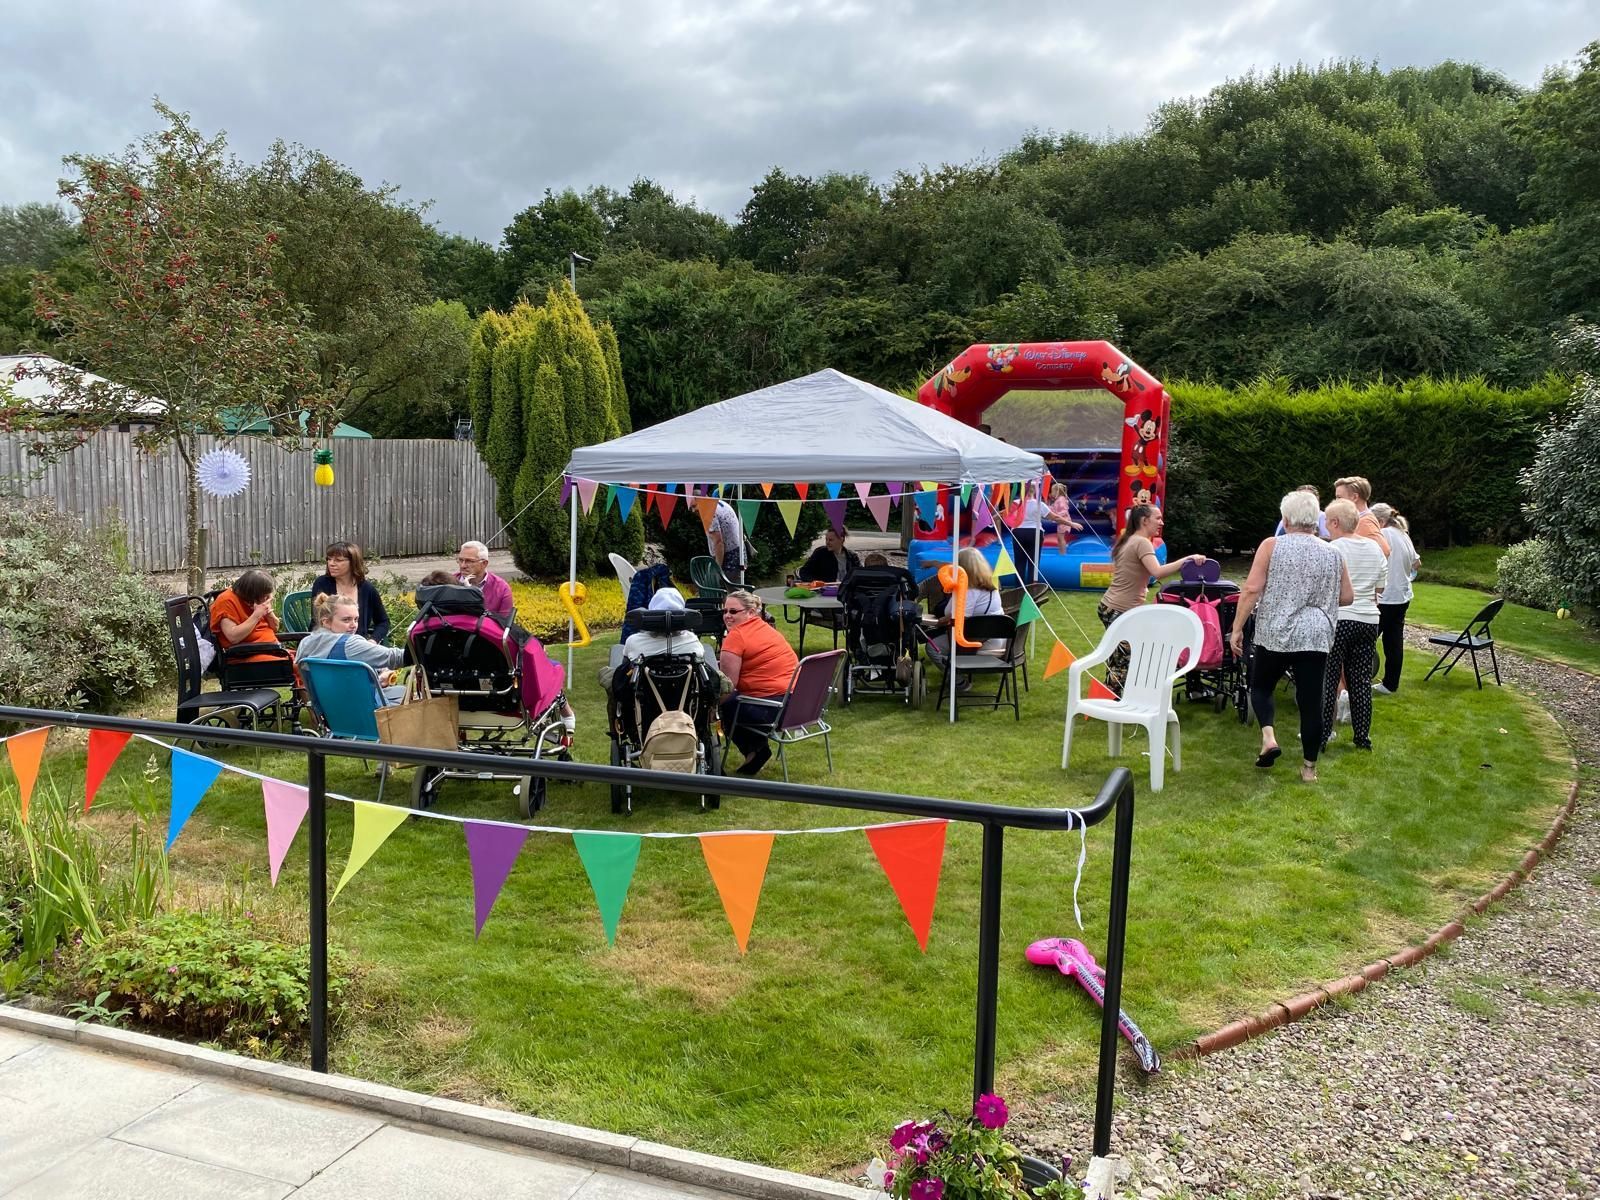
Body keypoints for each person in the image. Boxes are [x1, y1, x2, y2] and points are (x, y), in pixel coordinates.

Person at [1230, 491, 1351, 783]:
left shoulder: (1272, 546)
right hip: (1316, 635)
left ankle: (1269, 736)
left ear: (1285, 520)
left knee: (1261, 686)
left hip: (1276, 631)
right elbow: (1347, 596)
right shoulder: (1334, 552)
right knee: (1311, 701)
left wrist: (1236, 628)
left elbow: (1250, 589)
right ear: (1316, 521)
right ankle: (1309, 769)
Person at [1098, 506, 1207, 695]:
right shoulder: (1141, 542)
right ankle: (1116, 702)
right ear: (1144, 521)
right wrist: (1188, 559)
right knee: (1127, 658)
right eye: (1158, 518)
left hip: (1112, 606)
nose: (1161, 522)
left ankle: (1111, 696)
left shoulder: (1130, 540)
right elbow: (1157, 572)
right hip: (1119, 610)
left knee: (1120, 657)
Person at [1321, 499, 1387, 753]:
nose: (1325, 525)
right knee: (1360, 680)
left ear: (1335, 523)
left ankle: (1325, 734)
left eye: (1327, 520)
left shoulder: (1333, 549)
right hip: (1368, 621)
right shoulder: (1374, 548)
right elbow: (1379, 589)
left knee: (1329, 677)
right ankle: (1362, 737)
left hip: (1340, 619)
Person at [718, 591, 799, 776]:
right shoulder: (767, 629)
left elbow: (727, 687)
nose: (727, 616)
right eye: (724, 611)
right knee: (734, 701)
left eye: (733, 611)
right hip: (795, 704)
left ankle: (754, 751)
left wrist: (707, 710)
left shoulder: (736, 637)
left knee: (726, 705)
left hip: (772, 709)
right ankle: (756, 751)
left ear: (751, 612)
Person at [298, 593, 407, 705]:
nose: (354, 625)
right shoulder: (349, 644)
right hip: (370, 714)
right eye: (346, 620)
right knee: (410, 694)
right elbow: (396, 657)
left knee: (399, 691)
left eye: (356, 619)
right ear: (326, 622)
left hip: (331, 714)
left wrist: (378, 676)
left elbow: (336, 682)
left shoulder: (305, 644)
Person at [926, 547, 1007, 670]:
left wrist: (940, 621)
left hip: (976, 641)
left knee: (932, 647)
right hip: (997, 638)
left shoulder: (969, 591)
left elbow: (959, 617)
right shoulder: (991, 587)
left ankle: (958, 682)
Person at [1370, 503, 1420, 695]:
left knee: (1364, 641)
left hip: (1385, 597)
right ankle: (1390, 684)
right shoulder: (1403, 534)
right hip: (1402, 596)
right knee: (1393, 642)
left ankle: (1355, 680)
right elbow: (1417, 562)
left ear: (1380, 520)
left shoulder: (1383, 534)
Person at [311, 540, 391, 643]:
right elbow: (317, 621)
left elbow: (383, 622)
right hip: (327, 643)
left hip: (358, 644)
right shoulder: (322, 583)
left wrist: (373, 640)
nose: (331, 564)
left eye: (338, 560)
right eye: (329, 559)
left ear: (353, 563)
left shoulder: (367, 589)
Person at [209, 569, 286, 663]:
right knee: (299, 668)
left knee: (304, 660)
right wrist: (257, 615)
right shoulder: (226, 601)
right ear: (252, 594)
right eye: (265, 596)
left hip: (272, 649)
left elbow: (275, 627)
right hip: (248, 655)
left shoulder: (257, 602)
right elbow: (233, 637)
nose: (268, 598)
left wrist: (268, 611)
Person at [455, 540, 515, 620]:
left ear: (484, 564)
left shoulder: (501, 588)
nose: (463, 566)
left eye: (469, 561)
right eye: (460, 560)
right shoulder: (447, 583)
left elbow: (504, 625)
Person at [1332, 476, 1390, 558]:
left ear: (1355, 497)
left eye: (1339, 497)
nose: (1336, 502)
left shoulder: (1366, 522)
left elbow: (1385, 551)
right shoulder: (1360, 520)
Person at [1013, 481, 1050, 585]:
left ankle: (1018, 588)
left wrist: (992, 518)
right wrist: (1070, 523)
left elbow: (1004, 514)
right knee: (1033, 563)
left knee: (1019, 562)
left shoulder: (1016, 503)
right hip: (1034, 532)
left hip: (1018, 532)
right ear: (1035, 490)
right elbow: (1054, 517)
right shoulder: (1039, 504)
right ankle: (1030, 589)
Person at [796, 527, 861, 583]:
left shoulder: (852, 556)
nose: (827, 542)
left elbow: (860, 574)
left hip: (846, 591)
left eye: (831, 540)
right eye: (826, 539)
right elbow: (804, 572)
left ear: (841, 539)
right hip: (825, 591)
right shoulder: (820, 553)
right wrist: (819, 583)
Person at [707, 499, 745, 586]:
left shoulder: (709, 511)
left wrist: (717, 569)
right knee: (735, 590)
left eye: (694, 506)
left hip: (729, 556)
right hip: (739, 552)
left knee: (731, 592)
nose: (693, 511)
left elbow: (719, 542)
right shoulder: (720, 503)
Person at [1047, 482, 1085, 554]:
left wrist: (1058, 515)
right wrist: (1048, 508)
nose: (1052, 493)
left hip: (1064, 521)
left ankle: (1063, 553)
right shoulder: (1058, 500)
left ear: (1057, 492)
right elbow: (1054, 508)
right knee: (1060, 538)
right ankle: (1062, 552)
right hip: (1061, 521)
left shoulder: (1061, 499)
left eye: (1052, 491)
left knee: (1061, 538)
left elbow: (1064, 510)